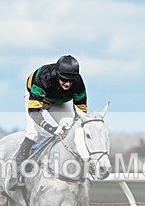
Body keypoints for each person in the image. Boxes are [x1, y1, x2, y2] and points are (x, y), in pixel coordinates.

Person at [8, 54, 88, 189]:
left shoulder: (78, 83)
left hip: (57, 102)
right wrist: (50, 128)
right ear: (57, 75)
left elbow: (80, 112)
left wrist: (73, 126)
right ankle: (16, 172)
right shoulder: (44, 78)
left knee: (71, 129)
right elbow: (34, 112)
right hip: (35, 99)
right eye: (64, 80)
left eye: (71, 80)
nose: (68, 84)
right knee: (33, 133)